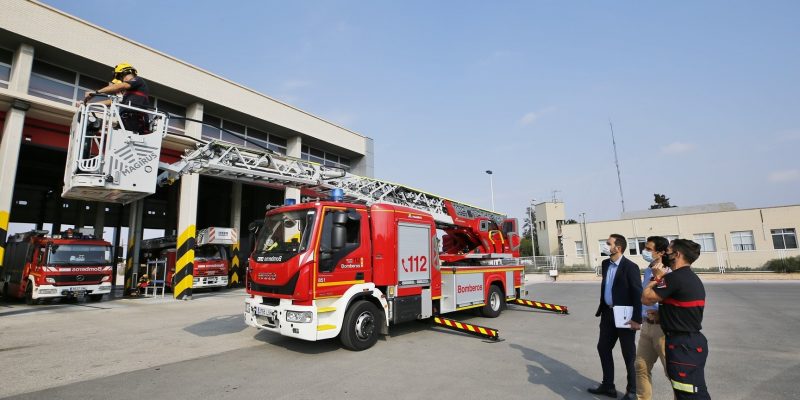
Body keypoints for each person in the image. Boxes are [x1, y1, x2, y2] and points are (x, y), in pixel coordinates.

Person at [642, 239, 709, 400]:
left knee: (688, 393)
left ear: (677, 254)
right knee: (692, 390)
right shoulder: (691, 277)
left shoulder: (674, 278)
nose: (665, 254)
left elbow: (646, 298)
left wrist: (656, 278)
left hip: (682, 346)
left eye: (669, 251)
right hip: (690, 343)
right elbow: (685, 309)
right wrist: (662, 315)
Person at [589, 234, 643, 400]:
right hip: (607, 314)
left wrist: (636, 318)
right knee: (603, 348)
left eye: (608, 243)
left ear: (618, 248)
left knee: (628, 354)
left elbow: (637, 294)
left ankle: (632, 391)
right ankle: (608, 385)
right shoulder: (606, 264)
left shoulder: (630, 267)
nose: (605, 246)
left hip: (625, 316)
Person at [635, 236, 670, 400]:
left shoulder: (668, 272)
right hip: (646, 326)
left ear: (661, 252)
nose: (645, 252)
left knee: (671, 372)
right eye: (645, 248)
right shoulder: (648, 270)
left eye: (649, 249)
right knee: (641, 366)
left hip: (662, 328)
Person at [83, 62, 150, 134]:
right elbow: (112, 102)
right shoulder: (128, 93)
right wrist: (89, 105)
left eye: (120, 77)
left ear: (124, 73)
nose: (121, 80)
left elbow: (117, 87)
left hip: (136, 120)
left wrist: (95, 93)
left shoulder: (138, 80)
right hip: (127, 120)